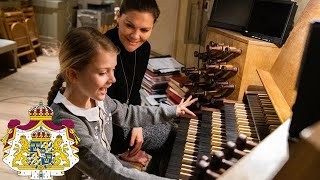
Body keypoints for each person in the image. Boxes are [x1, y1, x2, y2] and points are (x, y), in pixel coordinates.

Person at [47, 27, 197, 180]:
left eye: (113, 70)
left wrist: (173, 110)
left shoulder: (99, 100)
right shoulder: (65, 125)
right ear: (73, 74)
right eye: (103, 72)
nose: (113, 79)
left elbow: (128, 114)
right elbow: (112, 172)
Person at [104, 0, 177, 168]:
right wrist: (120, 152)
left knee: (171, 126)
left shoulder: (144, 49)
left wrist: (137, 124)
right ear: (117, 17)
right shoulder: (102, 47)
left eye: (144, 30)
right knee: (173, 135)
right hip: (107, 128)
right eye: (129, 26)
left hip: (127, 119)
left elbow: (135, 92)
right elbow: (98, 107)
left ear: (153, 27)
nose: (135, 36)